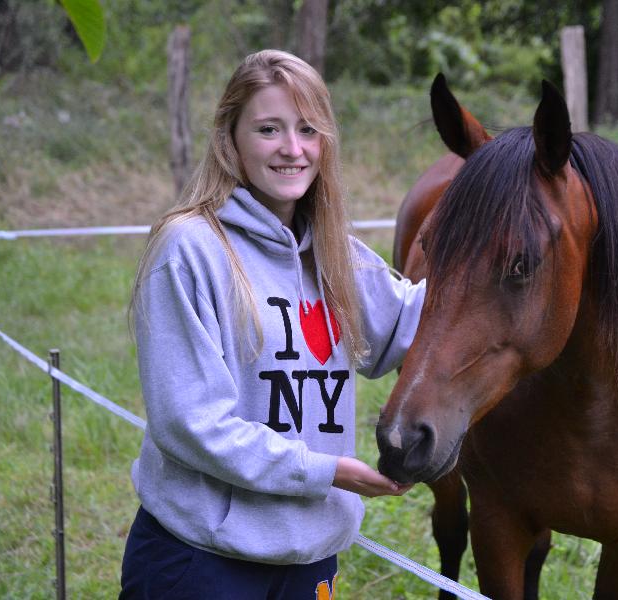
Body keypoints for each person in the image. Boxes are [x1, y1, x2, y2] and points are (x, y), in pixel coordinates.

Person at [119, 49, 424, 599]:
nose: (292, 149)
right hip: (201, 560)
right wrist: (328, 471)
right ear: (229, 138)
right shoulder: (190, 250)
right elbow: (193, 424)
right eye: (268, 128)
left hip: (308, 560)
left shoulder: (336, 256)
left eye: (308, 129)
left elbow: (420, 323)